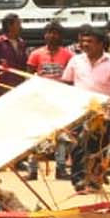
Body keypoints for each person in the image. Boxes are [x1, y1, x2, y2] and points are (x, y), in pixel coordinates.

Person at [63, 29, 110, 191]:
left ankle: (94, 179)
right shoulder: (75, 61)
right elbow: (66, 84)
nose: (85, 44)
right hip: (79, 111)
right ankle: (78, 180)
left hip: (103, 112)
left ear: (100, 43)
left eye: (89, 41)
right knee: (78, 146)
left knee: (98, 147)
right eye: (83, 41)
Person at [27, 21, 75, 178]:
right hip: (41, 100)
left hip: (61, 100)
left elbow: (72, 77)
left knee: (61, 135)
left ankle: (60, 168)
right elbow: (29, 76)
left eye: (55, 33)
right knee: (36, 134)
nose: (52, 36)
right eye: (49, 32)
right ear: (45, 35)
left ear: (60, 36)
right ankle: (32, 169)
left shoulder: (68, 55)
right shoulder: (36, 54)